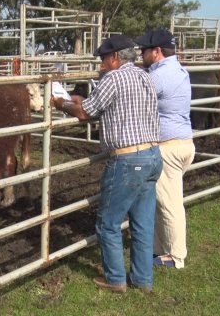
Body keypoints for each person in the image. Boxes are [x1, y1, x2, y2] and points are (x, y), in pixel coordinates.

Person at [53, 34, 163, 293]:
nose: (101, 63)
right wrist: (78, 102)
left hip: (129, 160)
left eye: (103, 58)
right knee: (143, 223)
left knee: (108, 223)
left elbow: (83, 113)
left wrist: (60, 103)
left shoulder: (113, 78)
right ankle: (143, 280)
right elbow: (96, 106)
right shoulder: (144, 76)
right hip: (152, 156)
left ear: (115, 57)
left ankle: (115, 279)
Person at [135, 29, 195, 269]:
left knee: (169, 203)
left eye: (144, 50)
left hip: (168, 148)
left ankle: (176, 256)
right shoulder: (178, 70)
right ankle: (160, 249)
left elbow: (136, 94)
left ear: (157, 52)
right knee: (162, 200)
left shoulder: (159, 77)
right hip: (182, 142)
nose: (141, 54)